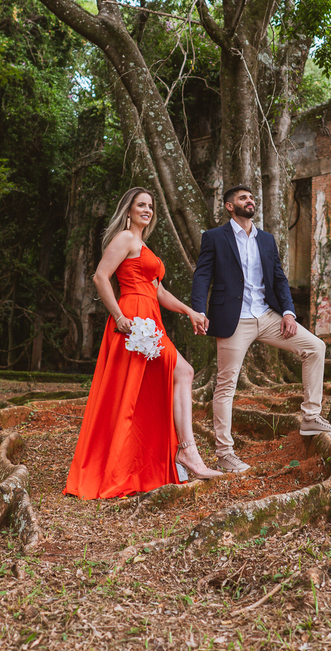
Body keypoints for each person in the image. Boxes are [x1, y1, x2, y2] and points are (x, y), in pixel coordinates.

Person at [65, 187, 222, 498]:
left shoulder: (142, 244)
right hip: (134, 322)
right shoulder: (125, 238)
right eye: (141, 205)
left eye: (150, 205)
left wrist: (190, 310)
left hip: (150, 319)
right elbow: (100, 276)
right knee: (179, 374)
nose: (147, 210)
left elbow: (158, 292)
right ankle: (187, 453)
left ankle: (171, 455)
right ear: (128, 210)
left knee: (150, 387)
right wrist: (120, 317)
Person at [191, 184, 331, 473]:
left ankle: (311, 417)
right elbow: (202, 276)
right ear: (229, 206)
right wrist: (198, 310)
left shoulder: (266, 239)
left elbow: (278, 278)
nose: (249, 201)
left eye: (251, 198)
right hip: (233, 320)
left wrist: (288, 312)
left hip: (268, 316)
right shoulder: (214, 238)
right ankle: (225, 454)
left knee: (315, 347)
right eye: (243, 198)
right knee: (226, 385)